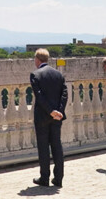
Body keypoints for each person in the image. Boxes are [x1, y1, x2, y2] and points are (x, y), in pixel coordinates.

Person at [30, 48, 67, 187]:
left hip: (42, 116)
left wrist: (51, 111)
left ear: (37, 60)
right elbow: (64, 94)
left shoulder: (35, 74)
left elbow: (39, 97)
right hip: (57, 116)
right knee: (57, 145)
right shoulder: (58, 74)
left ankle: (44, 178)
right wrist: (59, 111)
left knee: (43, 147)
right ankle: (59, 178)